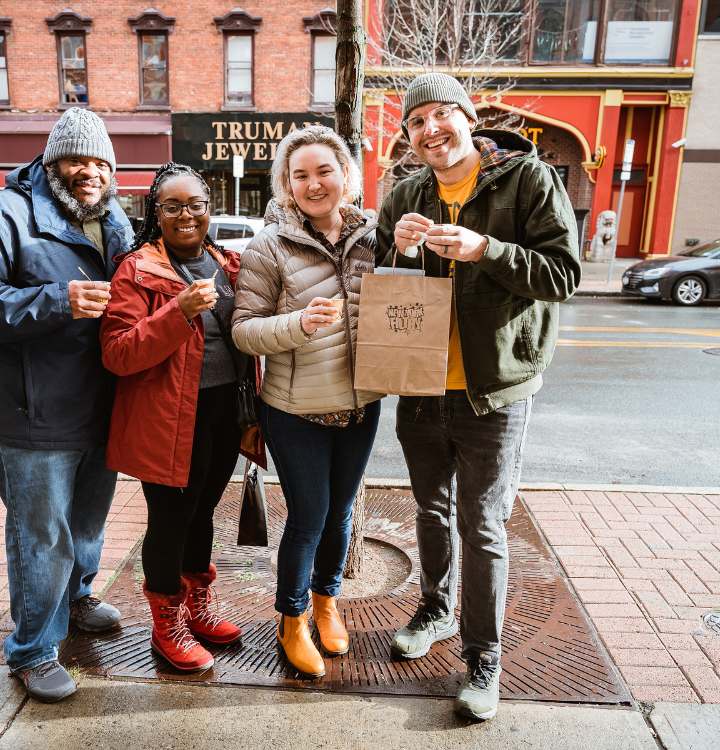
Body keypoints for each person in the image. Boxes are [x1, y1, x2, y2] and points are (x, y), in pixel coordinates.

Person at [376, 73, 580, 721]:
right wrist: (400, 248)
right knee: (431, 513)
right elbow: (384, 282)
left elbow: (562, 275)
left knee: (482, 525)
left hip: (496, 390)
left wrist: (486, 248)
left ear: (469, 118)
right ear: (408, 135)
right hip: (420, 387)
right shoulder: (406, 193)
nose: (431, 129)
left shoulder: (528, 180)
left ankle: (482, 655)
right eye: (417, 121)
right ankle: (434, 610)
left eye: (442, 115)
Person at [0, 107, 133, 703]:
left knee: (88, 521)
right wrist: (56, 300)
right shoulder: (1, 215)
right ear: (51, 162)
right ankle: (34, 650)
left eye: (100, 162)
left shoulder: (114, 218)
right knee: (40, 532)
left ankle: (77, 595)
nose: (89, 171)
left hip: (102, 403)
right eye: (76, 159)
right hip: (31, 412)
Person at [100, 162, 266, 672]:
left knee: (202, 514)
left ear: (209, 208)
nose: (186, 215)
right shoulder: (138, 269)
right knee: (171, 519)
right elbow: (118, 353)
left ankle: (197, 606)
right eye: (172, 207)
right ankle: (165, 622)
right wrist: (179, 312)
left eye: (195, 204)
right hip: (170, 418)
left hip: (225, 412)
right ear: (156, 213)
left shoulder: (231, 263)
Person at [233, 126, 383, 679]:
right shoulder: (268, 246)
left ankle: (327, 605)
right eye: (301, 175)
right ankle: (291, 619)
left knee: (341, 515)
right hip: (295, 409)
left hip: (361, 405)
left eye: (324, 171)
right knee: (310, 517)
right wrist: (298, 323)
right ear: (286, 184)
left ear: (346, 175)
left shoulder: (374, 236)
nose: (314, 183)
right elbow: (244, 332)